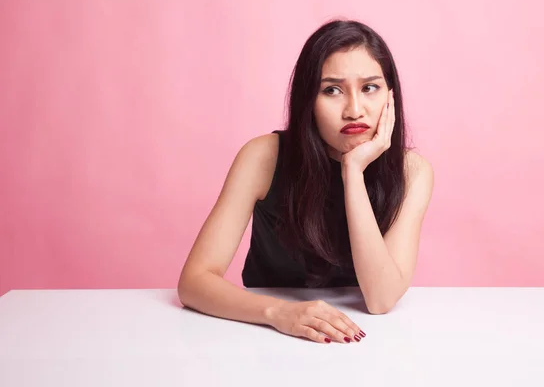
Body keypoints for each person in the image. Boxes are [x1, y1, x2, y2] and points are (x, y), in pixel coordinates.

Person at [177, 19, 434, 344]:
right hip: (264, 337)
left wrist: (353, 173)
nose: (355, 110)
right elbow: (194, 282)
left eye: (370, 87)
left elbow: (380, 300)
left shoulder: (413, 172)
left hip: (371, 345)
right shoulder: (263, 157)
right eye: (332, 90)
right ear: (307, 102)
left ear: (391, 97)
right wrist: (279, 314)